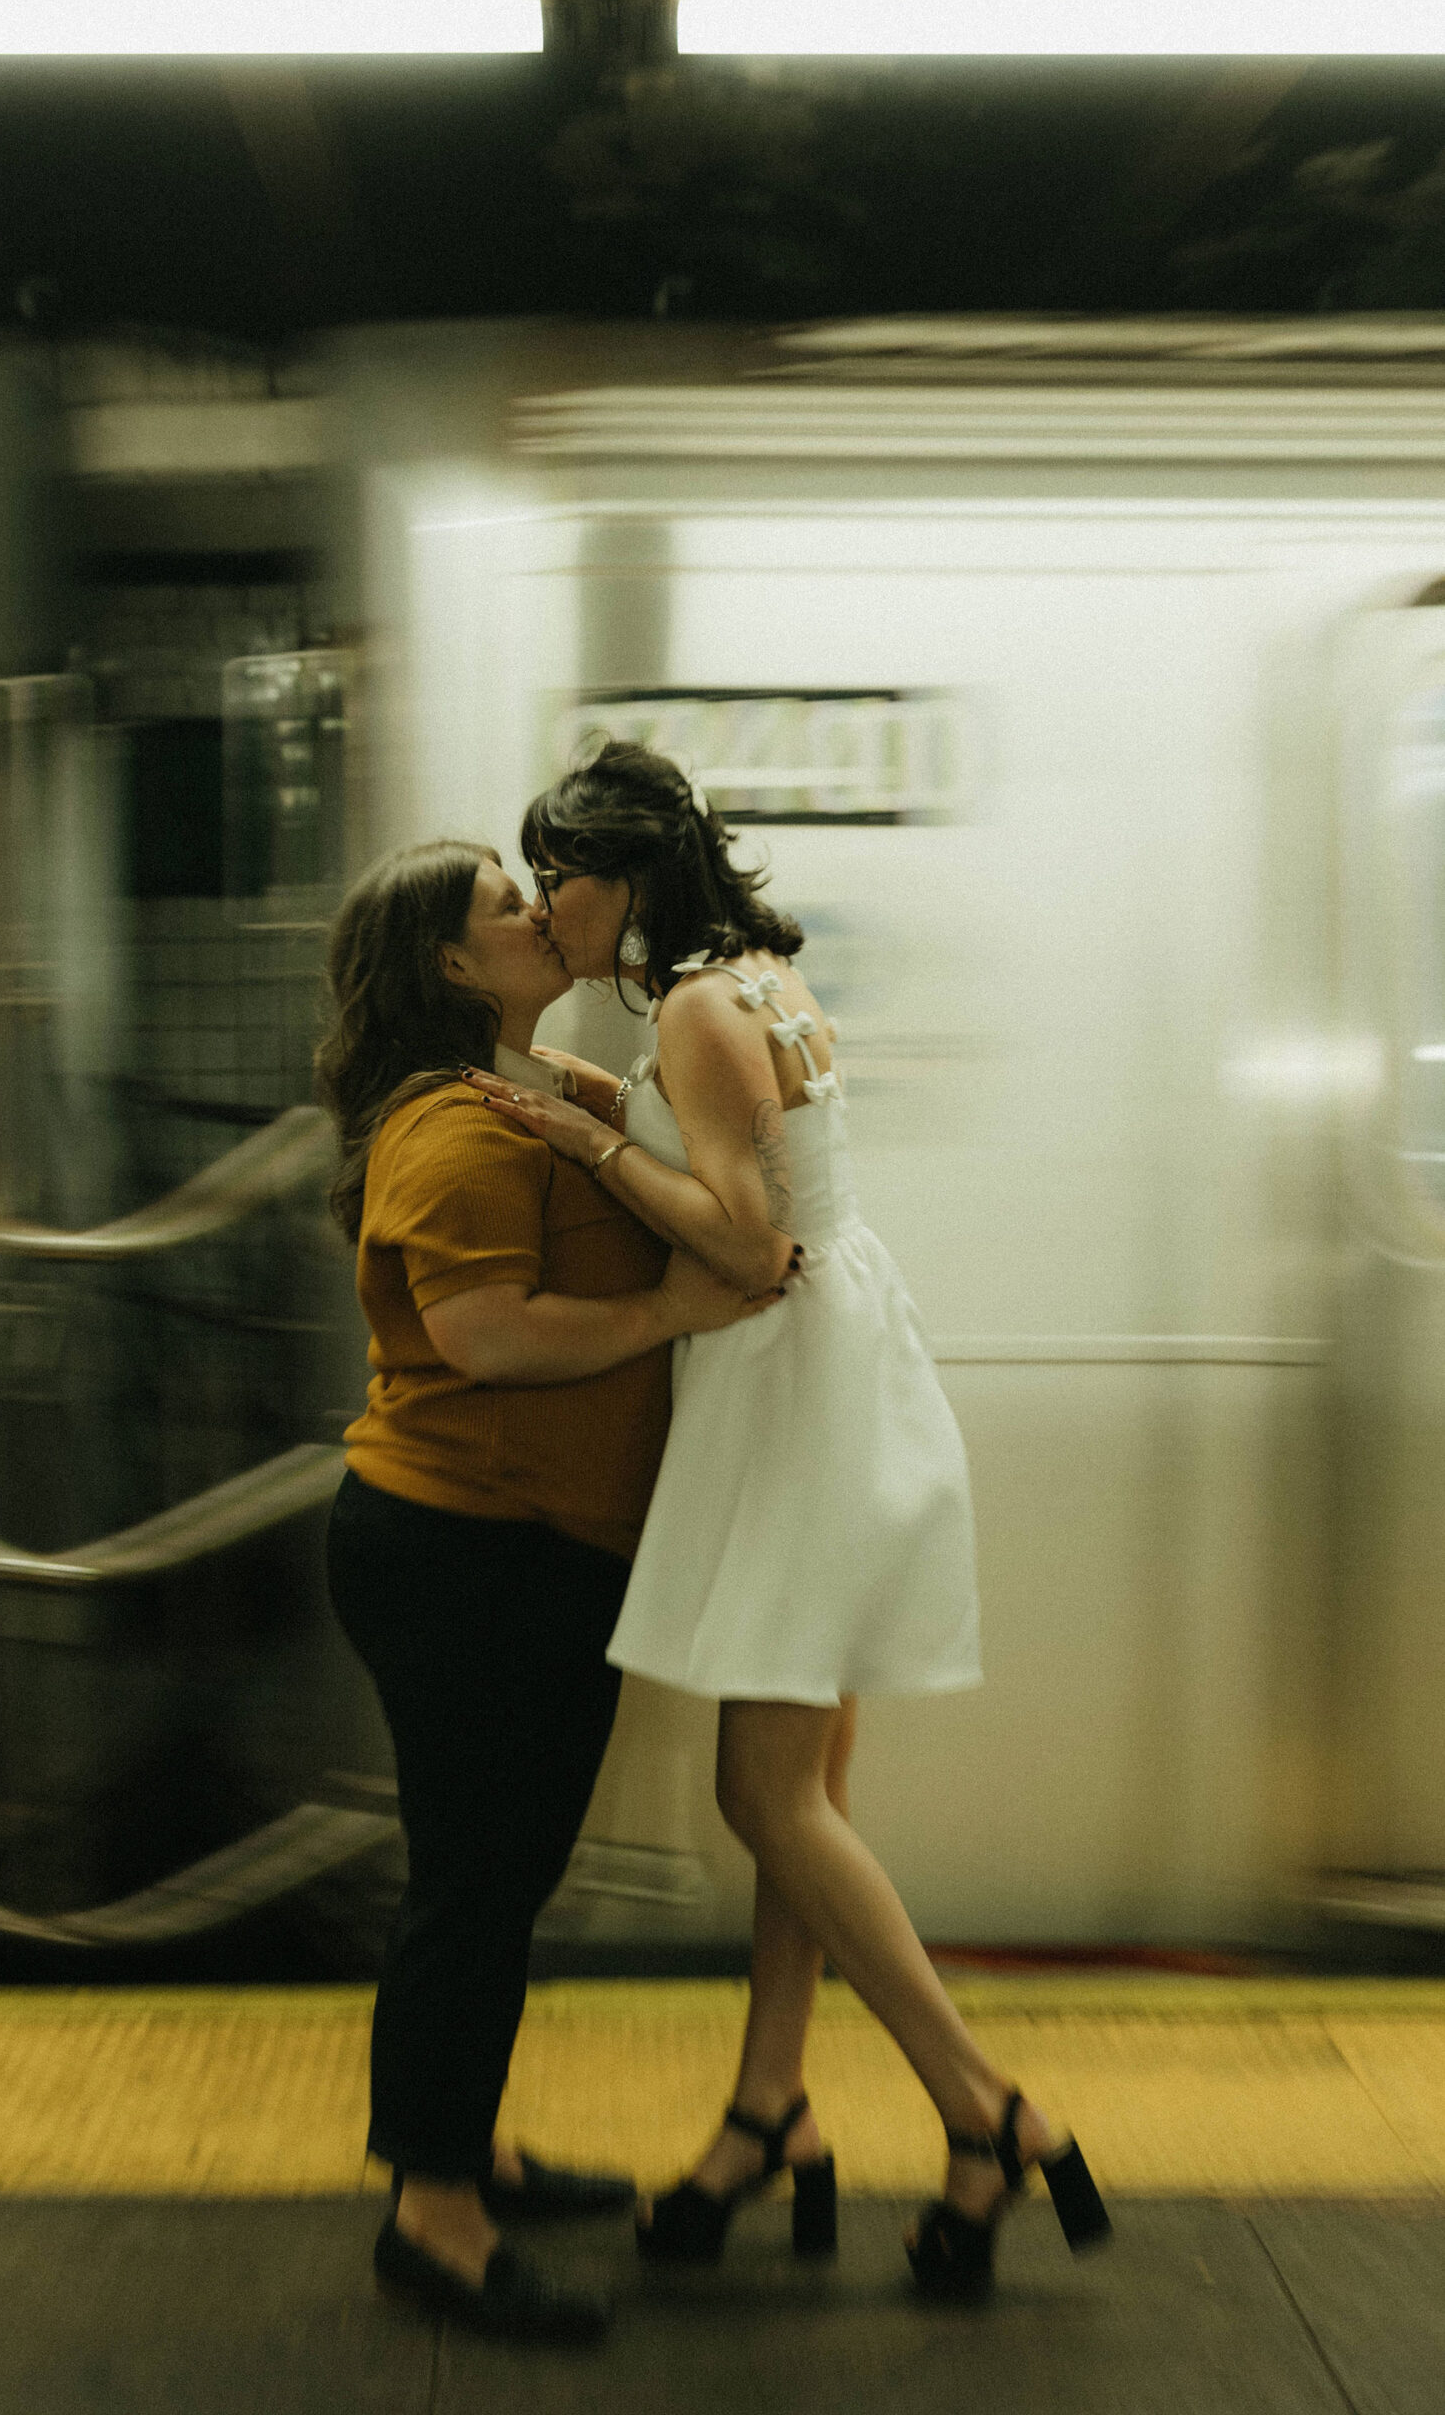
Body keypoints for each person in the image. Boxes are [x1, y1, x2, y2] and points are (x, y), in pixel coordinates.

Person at [466, 743, 1110, 2301]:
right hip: (844, 1374)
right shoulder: (755, 981)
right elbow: (742, 1155)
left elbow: (746, 1246)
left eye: (563, 874)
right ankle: (768, 2115)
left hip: (788, 1389)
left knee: (770, 1801)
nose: (553, 901)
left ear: (623, 878)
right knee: (800, 1802)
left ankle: (984, 2110)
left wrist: (583, 1143)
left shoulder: (690, 1004)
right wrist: (578, 1093)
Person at [315, 837, 785, 2348]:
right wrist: (669, 1306)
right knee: (473, 1888)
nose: (540, 915)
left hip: (518, 1548)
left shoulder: (531, 1093)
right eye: (507, 909)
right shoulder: (454, 1131)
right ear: (452, 966)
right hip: (465, 1551)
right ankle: (436, 2224)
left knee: (493, 1879)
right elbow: (488, 1338)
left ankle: (472, 2153)